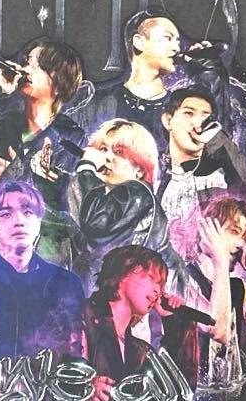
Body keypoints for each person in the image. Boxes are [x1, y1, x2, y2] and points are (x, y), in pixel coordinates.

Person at [0, 37, 86, 262]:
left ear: (59, 82)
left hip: (40, 261)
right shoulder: (5, 125)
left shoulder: (70, 139)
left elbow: (62, 214)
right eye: (27, 62)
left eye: (38, 65)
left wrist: (12, 176)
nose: (26, 69)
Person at [0, 179, 86, 371]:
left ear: (39, 222)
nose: (19, 221)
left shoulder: (65, 282)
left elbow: (76, 347)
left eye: (28, 212)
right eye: (5, 214)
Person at [83, 10, 230, 155]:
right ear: (139, 42)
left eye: (177, 42)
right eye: (168, 38)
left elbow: (215, 149)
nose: (176, 48)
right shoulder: (97, 102)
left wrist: (210, 75)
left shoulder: (182, 109)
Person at [164, 193, 246, 392]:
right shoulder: (181, 277)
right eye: (234, 231)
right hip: (190, 394)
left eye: (244, 237)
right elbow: (218, 330)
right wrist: (220, 258)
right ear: (210, 228)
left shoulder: (235, 286)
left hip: (225, 395)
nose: (241, 243)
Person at [66, 118, 182, 293]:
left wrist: (86, 167)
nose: (107, 157)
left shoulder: (138, 193)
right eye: (103, 149)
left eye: (119, 152)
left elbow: (96, 223)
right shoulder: (110, 199)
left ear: (139, 169)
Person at [83, 246, 187, 401]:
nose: (158, 291)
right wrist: (82, 387)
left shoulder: (140, 350)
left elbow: (178, 392)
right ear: (126, 273)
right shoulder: (80, 317)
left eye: (161, 286)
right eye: (153, 279)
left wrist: (173, 322)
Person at [157, 84, 246, 223]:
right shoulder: (158, 176)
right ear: (168, 120)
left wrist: (216, 138)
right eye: (189, 113)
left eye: (205, 117)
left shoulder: (218, 175)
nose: (198, 124)